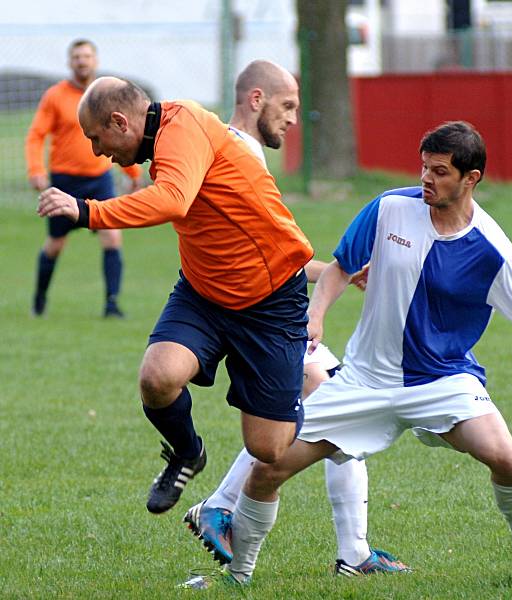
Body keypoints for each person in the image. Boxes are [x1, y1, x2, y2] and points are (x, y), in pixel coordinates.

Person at [184, 121, 512, 589]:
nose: (427, 179)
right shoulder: (390, 207)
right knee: (267, 469)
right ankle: (239, 575)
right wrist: (316, 315)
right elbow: (339, 268)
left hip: (444, 382)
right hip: (363, 381)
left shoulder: (494, 250)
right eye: (424, 167)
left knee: (508, 461)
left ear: (471, 178)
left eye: (440, 171)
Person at [36, 71, 315, 516]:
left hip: (271, 299)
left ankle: (324, 390)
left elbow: (172, 200)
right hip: (203, 292)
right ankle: (188, 452)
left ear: (120, 121)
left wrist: (86, 210)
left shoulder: (182, 123)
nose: (97, 152)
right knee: (157, 377)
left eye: (96, 138)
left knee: (269, 448)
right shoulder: (163, 141)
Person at [181, 60, 407, 578]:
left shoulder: (243, 151)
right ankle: (222, 509)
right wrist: (332, 276)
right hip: (257, 317)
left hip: (258, 310)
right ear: (256, 99)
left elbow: (268, 250)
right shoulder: (235, 152)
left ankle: (352, 552)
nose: (293, 120)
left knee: (338, 412)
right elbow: (253, 254)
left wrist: (335, 273)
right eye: (287, 107)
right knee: (335, 406)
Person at [25, 39, 142, 317]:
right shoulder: (55, 96)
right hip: (65, 181)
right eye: (77, 57)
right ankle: (39, 300)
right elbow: (36, 136)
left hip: (100, 179)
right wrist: (36, 170)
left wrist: (133, 173)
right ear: (70, 62)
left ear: (95, 61)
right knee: (55, 245)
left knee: (112, 237)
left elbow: (120, 136)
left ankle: (111, 304)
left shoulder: (105, 96)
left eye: (87, 56)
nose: (82, 61)